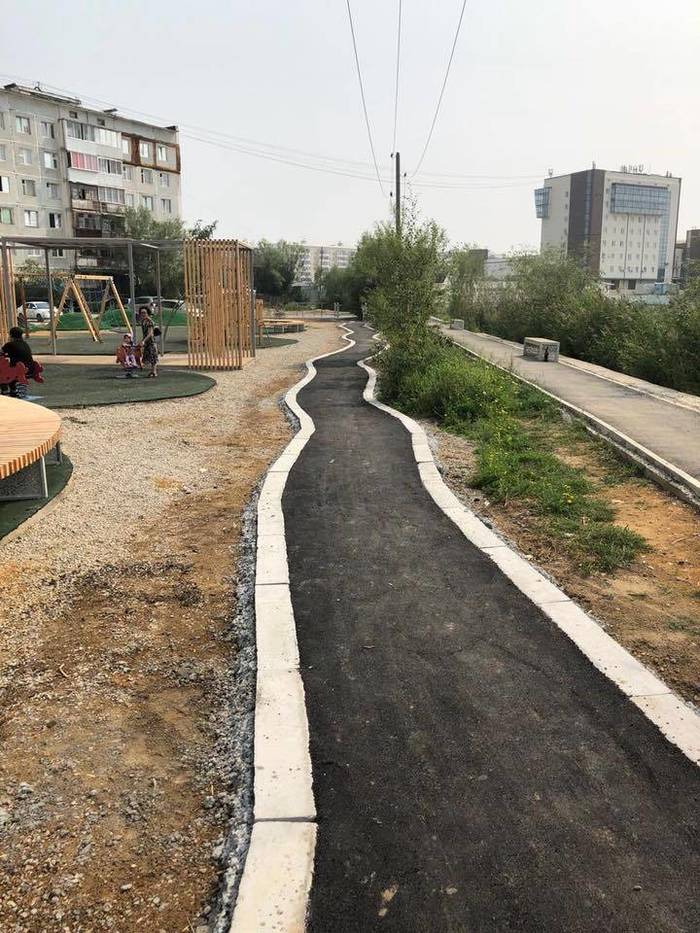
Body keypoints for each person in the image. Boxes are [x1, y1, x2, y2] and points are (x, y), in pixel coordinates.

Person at [139, 309, 159, 378]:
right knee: (148, 356)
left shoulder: (149, 322)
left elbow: (150, 333)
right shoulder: (143, 321)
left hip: (151, 341)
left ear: (147, 313)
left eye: (144, 313)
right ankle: (152, 371)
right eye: (141, 313)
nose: (143, 314)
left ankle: (154, 371)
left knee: (153, 356)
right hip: (147, 341)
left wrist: (144, 340)